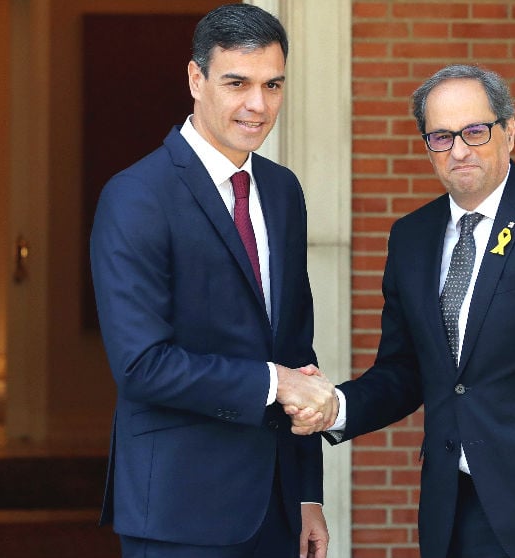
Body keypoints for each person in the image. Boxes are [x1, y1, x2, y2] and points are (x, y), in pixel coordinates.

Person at [290, 64, 515, 558]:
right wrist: (336, 407)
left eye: (475, 131)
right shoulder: (411, 237)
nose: (459, 149)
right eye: (441, 136)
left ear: (509, 130)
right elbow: (405, 370)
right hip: (451, 512)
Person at [90, 4, 337, 558]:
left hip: (275, 508)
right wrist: (275, 383)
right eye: (237, 83)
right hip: (179, 511)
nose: (258, 104)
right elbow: (140, 365)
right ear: (196, 79)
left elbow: (296, 349)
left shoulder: (281, 191)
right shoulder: (136, 196)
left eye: (273, 84)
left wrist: (305, 496)